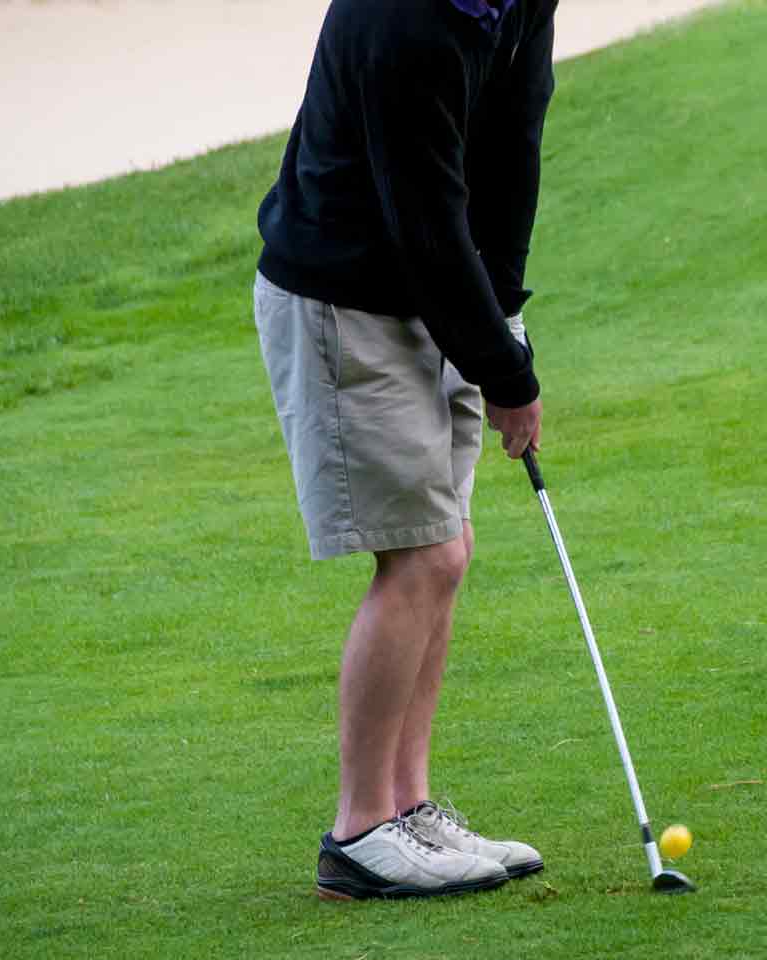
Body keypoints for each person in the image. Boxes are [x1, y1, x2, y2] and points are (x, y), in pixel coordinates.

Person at [251, 0, 560, 900]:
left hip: (432, 296)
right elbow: (422, 217)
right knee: (420, 556)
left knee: (446, 549)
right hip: (346, 300)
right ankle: (358, 832)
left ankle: (409, 809)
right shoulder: (404, 20)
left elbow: (513, 144)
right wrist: (506, 378)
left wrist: (503, 314)